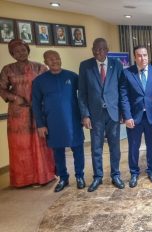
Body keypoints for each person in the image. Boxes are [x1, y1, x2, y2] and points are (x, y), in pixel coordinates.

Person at [0, 39, 55, 187]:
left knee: (41, 143)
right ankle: (23, 179)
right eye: (17, 51)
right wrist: (14, 97)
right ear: (12, 54)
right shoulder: (7, 70)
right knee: (21, 145)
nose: (21, 53)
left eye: (23, 50)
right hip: (18, 114)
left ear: (28, 50)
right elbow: (2, 88)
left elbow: (50, 85)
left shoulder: (40, 67)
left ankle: (45, 175)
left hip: (39, 111)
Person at [32, 50, 85, 192]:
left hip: (73, 120)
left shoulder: (72, 76)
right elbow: (35, 104)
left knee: (78, 150)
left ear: (60, 59)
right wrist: (41, 124)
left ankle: (80, 176)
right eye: (50, 59)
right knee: (58, 152)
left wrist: (85, 115)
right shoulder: (39, 81)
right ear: (45, 62)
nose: (54, 61)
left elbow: (85, 94)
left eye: (56, 58)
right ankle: (63, 178)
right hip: (53, 122)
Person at [78, 38, 124, 192]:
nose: (99, 52)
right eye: (96, 49)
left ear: (107, 50)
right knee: (96, 147)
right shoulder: (85, 66)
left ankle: (115, 175)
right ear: (92, 50)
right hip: (95, 114)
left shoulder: (117, 65)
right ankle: (97, 177)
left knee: (115, 147)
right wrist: (85, 115)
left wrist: (122, 112)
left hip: (113, 113)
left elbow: (122, 90)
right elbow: (82, 93)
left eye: (102, 49)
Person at [120, 45, 152, 188]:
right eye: (139, 55)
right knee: (133, 146)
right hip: (134, 117)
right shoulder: (127, 73)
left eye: (145, 55)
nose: (142, 58)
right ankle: (134, 173)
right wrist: (127, 116)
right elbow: (124, 96)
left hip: (151, 116)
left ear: (148, 56)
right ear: (134, 57)